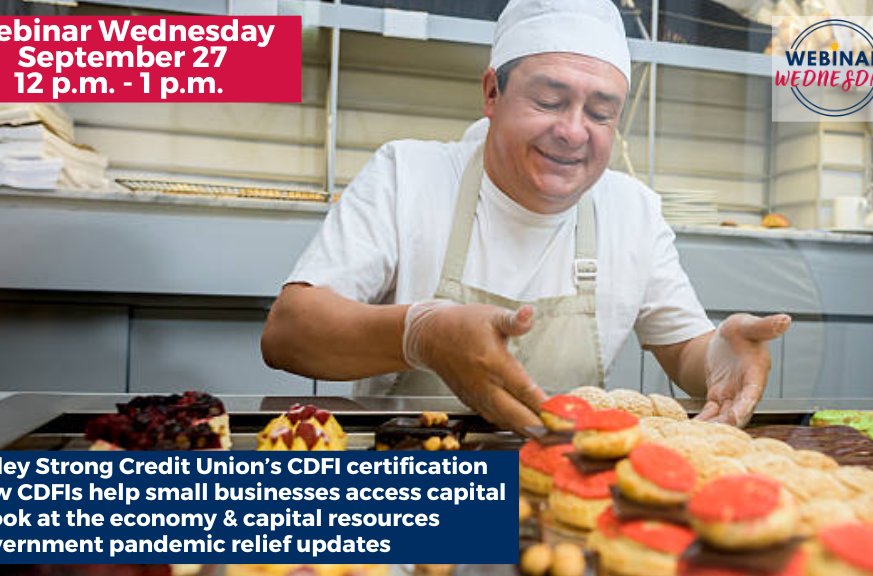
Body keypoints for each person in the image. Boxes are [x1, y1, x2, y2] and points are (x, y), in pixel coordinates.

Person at [261, 0, 790, 433]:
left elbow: (685, 352)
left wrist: (720, 354)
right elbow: (289, 333)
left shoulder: (631, 211)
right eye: (548, 100)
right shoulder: (408, 176)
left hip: (567, 491)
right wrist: (420, 334)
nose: (574, 131)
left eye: (601, 113)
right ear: (492, 93)